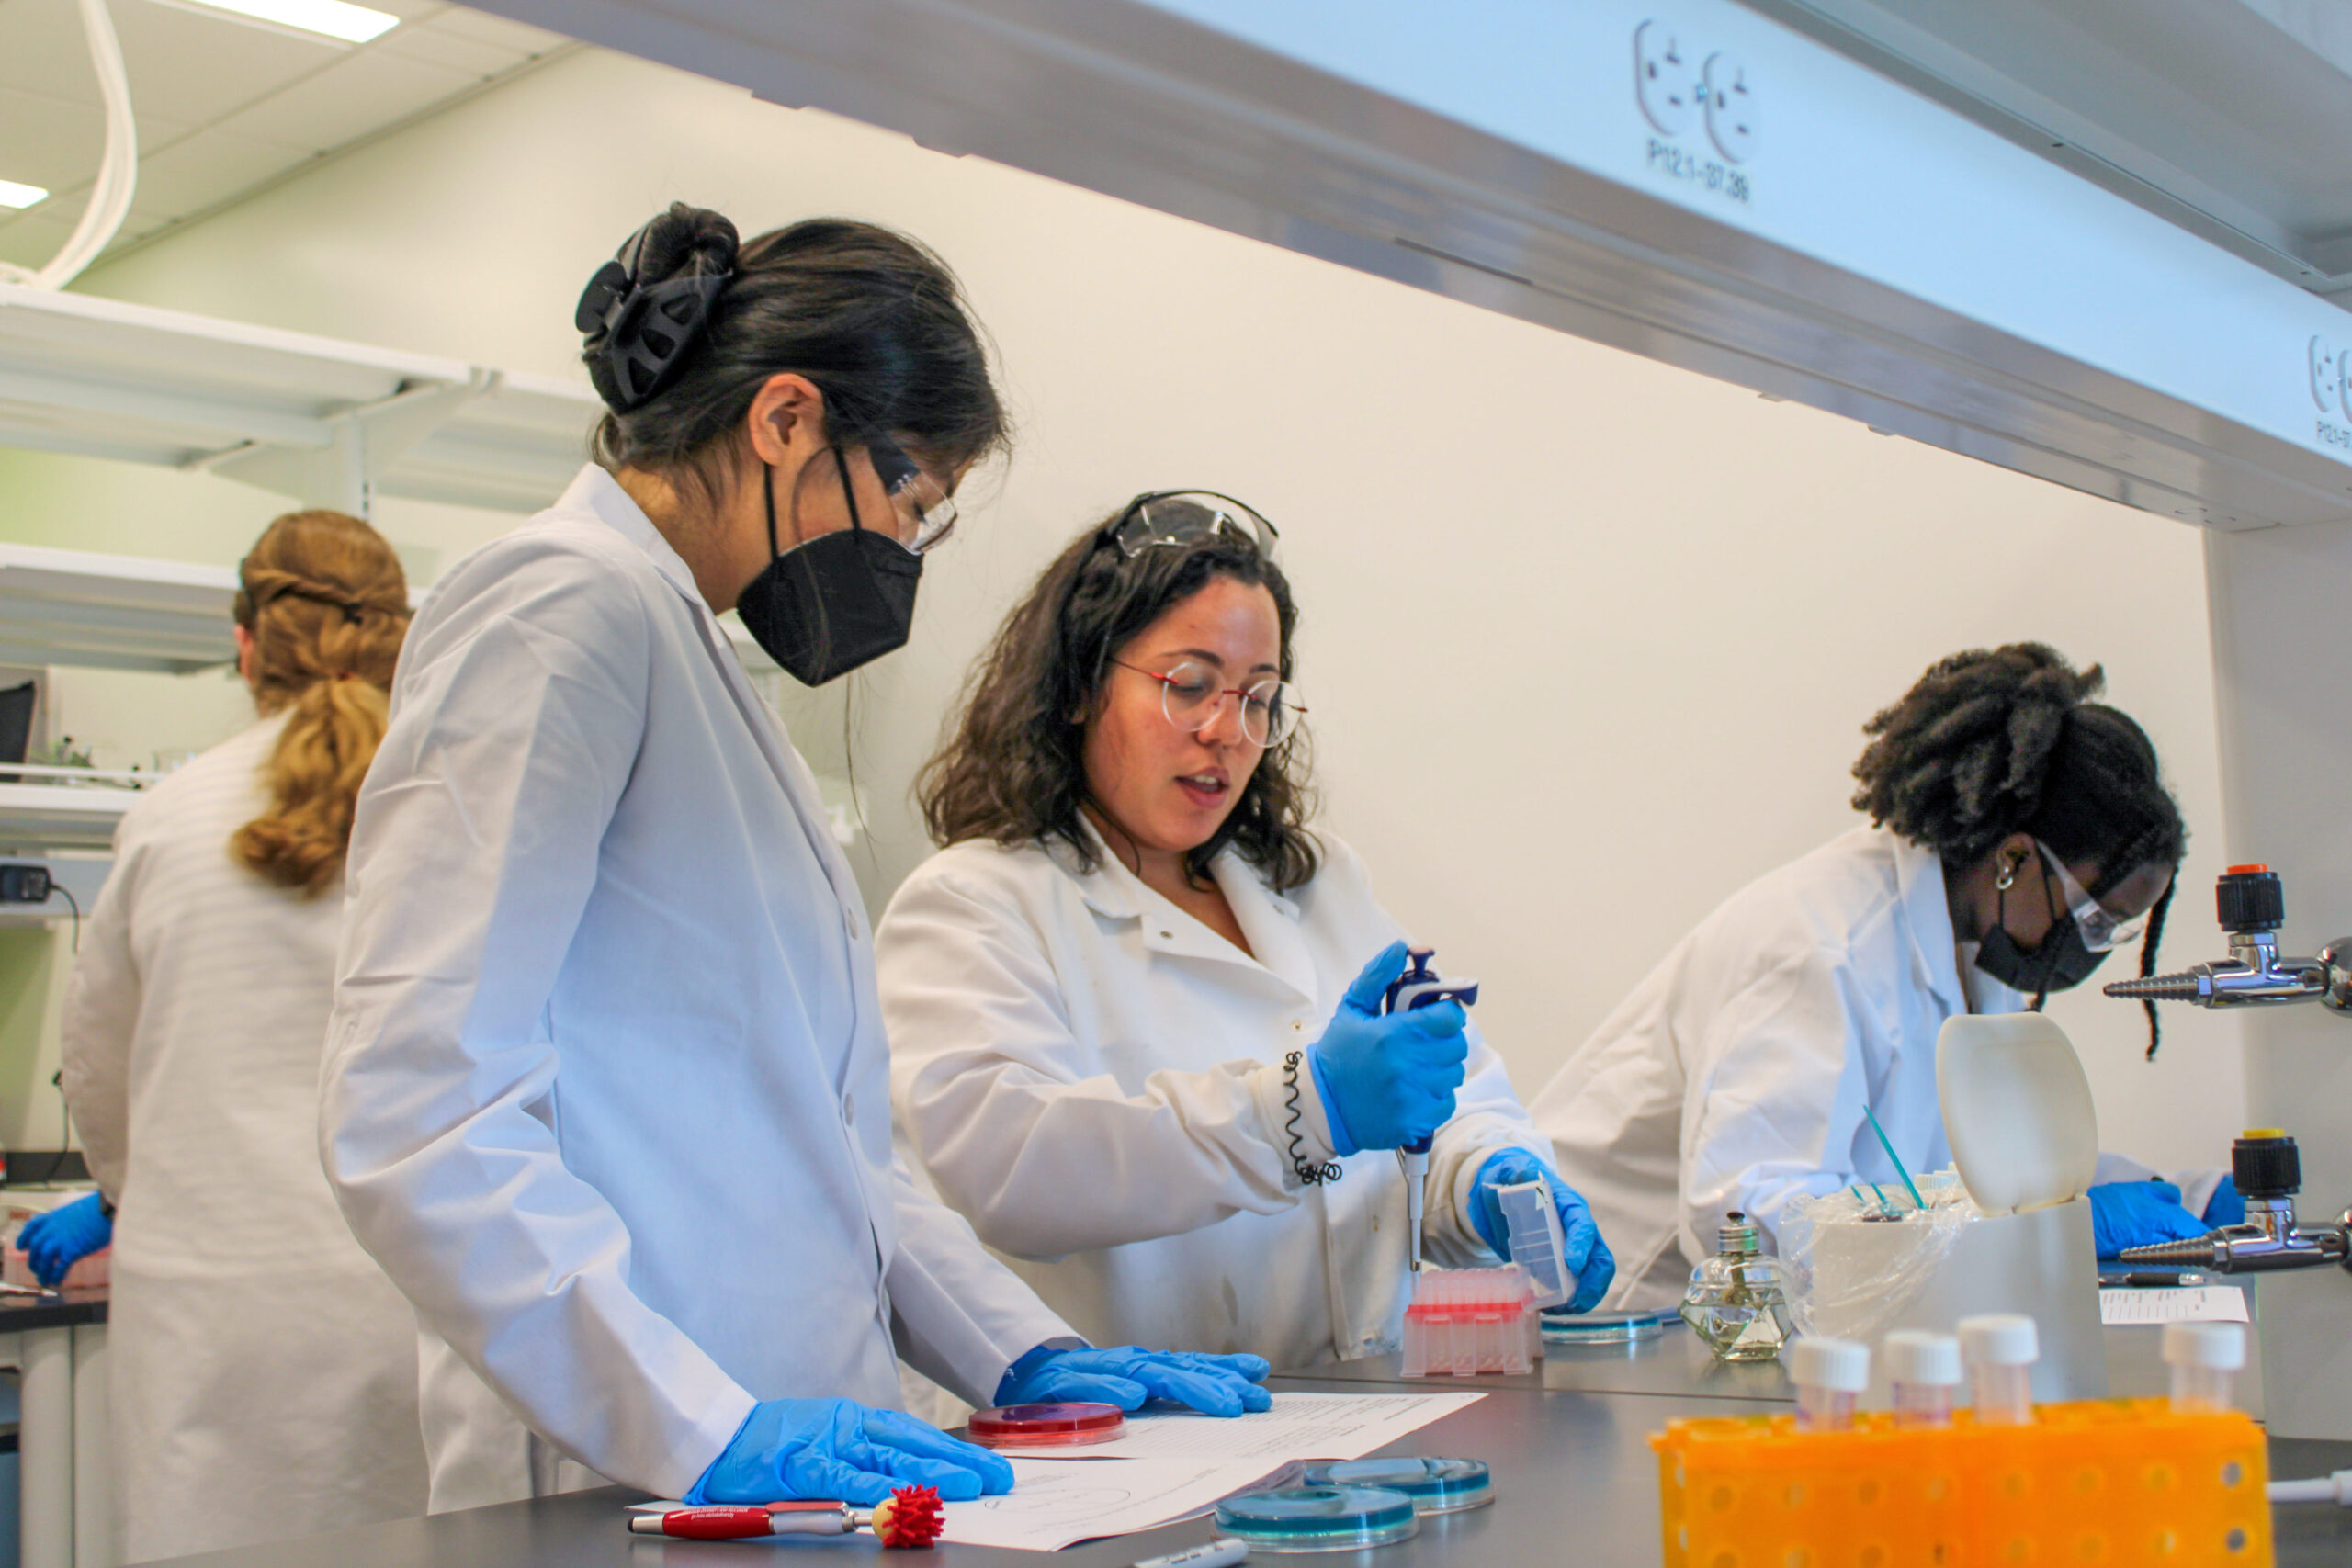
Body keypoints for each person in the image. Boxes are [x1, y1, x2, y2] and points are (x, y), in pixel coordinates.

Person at [319, 207, 1266, 1516]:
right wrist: (696, 1424)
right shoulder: (557, 605)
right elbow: (417, 1103)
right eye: (909, 497)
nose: (902, 548)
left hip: (767, 1447)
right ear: (782, 422)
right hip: (631, 1456)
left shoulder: (688, 646)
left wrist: (1017, 1344)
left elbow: (820, 1146)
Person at [877, 492, 1612, 1375]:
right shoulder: (974, 905)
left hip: (1367, 1417)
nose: (1229, 732)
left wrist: (1489, 1179)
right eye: (1188, 685)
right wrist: (1306, 1111)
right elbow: (1014, 1170)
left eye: (1258, 697)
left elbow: (1443, 1101)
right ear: (1077, 684)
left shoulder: (1314, 883)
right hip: (1138, 1444)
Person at [1531, 644, 2237, 1311]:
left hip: (1769, 1334)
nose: (2097, 948)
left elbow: (1991, 1181)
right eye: (2094, 919)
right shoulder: (1821, 948)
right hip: (1616, 1324)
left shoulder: (1970, 961)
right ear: (2013, 860)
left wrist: (2187, 1200)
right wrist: (2050, 1234)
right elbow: (1751, 1217)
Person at [44, 510, 426, 1562]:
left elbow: (100, 1070)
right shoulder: (450, 805)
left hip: (215, 1316)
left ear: (248, 642)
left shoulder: (170, 819)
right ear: (401, 635)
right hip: (418, 1302)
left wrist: (123, 1192)